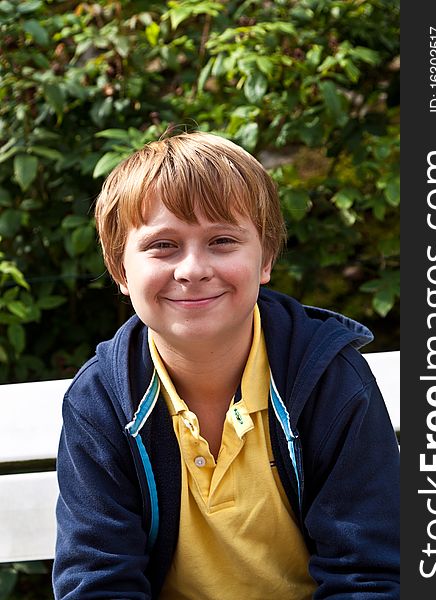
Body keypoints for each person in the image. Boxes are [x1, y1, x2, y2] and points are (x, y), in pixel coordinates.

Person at [52, 131, 399, 599]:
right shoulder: (102, 403)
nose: (193, 269)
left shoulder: (328, 382)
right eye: (163, 245)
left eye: (221, 240)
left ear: (265, 259)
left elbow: (369, 576)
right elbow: (99, 582)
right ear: (119, 270)